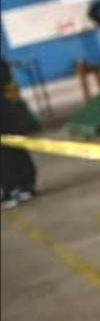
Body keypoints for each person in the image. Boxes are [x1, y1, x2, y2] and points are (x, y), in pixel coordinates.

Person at [1, 58, 38, 209]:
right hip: (5, 106)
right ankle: (24, 185)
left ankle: (12, 189)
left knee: (6, 151)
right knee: (14, 145)